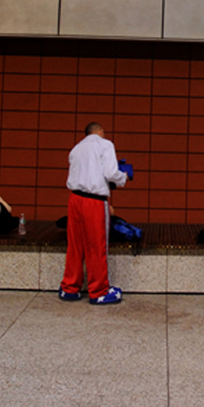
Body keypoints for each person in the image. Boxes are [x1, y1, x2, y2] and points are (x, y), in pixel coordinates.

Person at [60, 122, 131, 305]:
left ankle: (70, 288)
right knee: (96, 245)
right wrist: (124, 176)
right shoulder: (105, 144)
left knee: (75, 245)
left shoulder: (76, 149)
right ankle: (99, 291)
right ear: (100, 131)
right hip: (94, 201)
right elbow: (110, 172)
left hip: (75, 199)